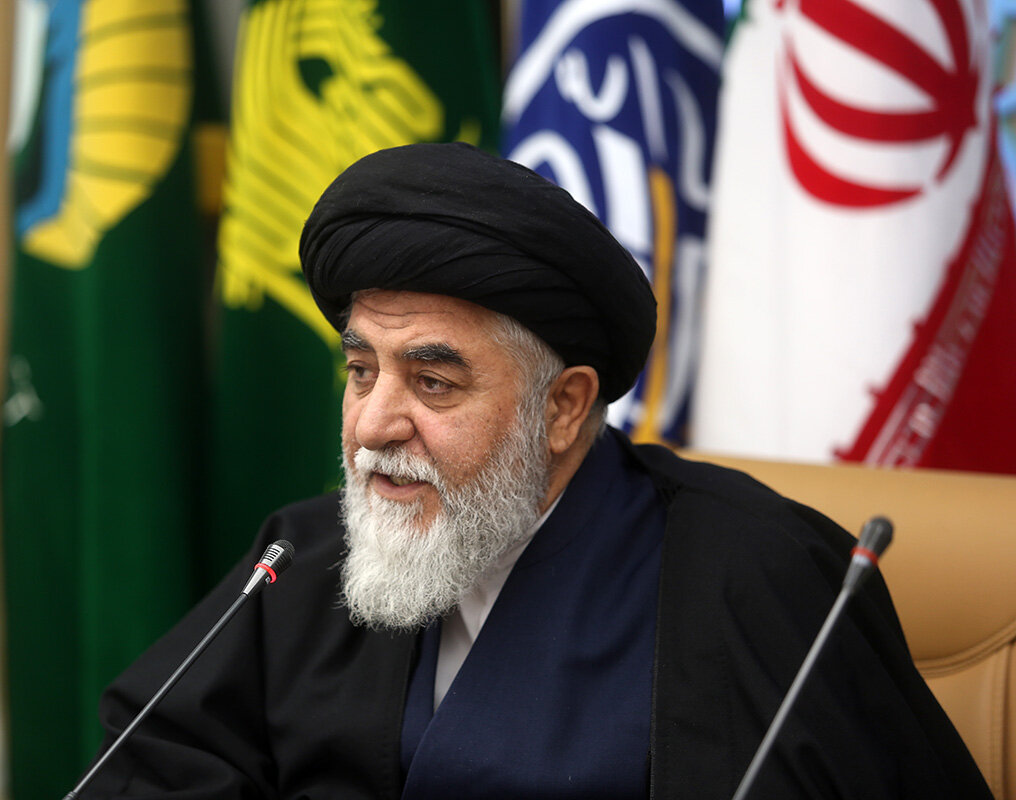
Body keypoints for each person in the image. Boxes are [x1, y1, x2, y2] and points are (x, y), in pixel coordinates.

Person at [87, 143, 992, 799]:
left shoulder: (756, 580)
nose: (371, 425)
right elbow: (151, 765)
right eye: (361, 371)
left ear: (562, 408)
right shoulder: (299, 559)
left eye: (432, 382)